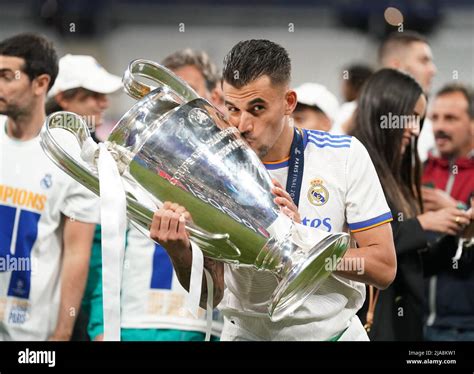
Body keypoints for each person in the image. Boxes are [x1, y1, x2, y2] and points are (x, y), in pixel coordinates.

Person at [149, 39, 396, 341]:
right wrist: (179, 254)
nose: (242, 124)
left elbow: (383, 268)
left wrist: (302, 242)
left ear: (289, 102)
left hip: (331, 334)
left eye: (257, 108)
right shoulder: (209, 169)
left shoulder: (342, 155)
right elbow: (209, 297)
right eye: (232, 108)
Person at [86, 49, 223, 341]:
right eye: (167, 94)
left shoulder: (227, 176)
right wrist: (99, 325)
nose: (178, 103)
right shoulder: (127, 167)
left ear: (214, 99)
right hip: (133, 325)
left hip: (200, 328)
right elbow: (106, 247)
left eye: (189, 92)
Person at [351, 69, 471, 340]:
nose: (414, 129)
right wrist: (423, 224)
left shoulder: (398, 172)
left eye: (418, 119)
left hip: (406, 323)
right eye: (408, 118)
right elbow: (362, 247)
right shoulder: (355, 164)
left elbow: (413, 266)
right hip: (374, 322)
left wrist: (456, 233)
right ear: (384, 111)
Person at [0, 33, 98, 340]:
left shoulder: (70, 156)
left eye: (6, 77)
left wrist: (62, 332)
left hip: (31, 332)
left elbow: (76, 253)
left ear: (40, 84)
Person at [45, 54, 122, 341]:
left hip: (89, 298)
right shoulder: (47, 153)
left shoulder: (97, 152)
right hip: (46, 300)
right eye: (93, 96)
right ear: (63, 99)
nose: (104, 103)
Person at [422, 83, 474, 341]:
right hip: (415, 322)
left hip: (464, 327)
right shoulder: (418, 171)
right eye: (435, 118)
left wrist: (454, 209)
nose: (439, 127)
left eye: (451, 118)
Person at [379, 31, 437, 162]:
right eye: (424, 61)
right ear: (396, 67)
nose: (433, 70)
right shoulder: (350, 117)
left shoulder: (430, 127)